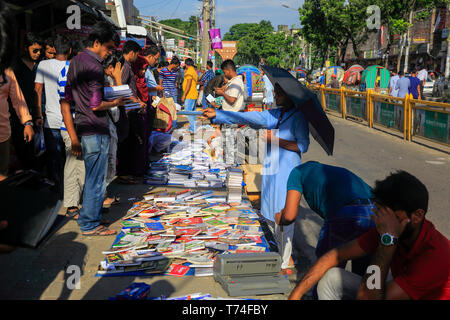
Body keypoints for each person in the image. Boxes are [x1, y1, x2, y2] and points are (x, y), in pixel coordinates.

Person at [288, 171, 450, 300]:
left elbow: (367, 297)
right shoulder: (392, 226)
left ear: (417, 216)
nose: (378, 219)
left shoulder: (436, 255)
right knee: (331, 278)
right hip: (397, 290)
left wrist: (387, 241)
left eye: (388, 214)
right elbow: (334, 256)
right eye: (379, 211)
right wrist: (296, 294)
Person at [203, 83, 310, 272]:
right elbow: (248, 116)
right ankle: (278, 251)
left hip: (287, 170)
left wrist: (275, 139)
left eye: (279, 93)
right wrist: (218, 115)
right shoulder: (276, 114)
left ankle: (285, 259)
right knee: (269, 211)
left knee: (284, 214)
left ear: (289, 95)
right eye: (275, 92)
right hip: (271, 168)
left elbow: (302, 146)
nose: (275, 96)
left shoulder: (299, 117)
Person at [62, 21, 123, 236]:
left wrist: (72, 133)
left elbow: (67, 99)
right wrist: (116, 103)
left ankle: (91, 215)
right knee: (97, 180)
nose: (108, 54)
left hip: (82, 126)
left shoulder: (75, 61)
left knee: (92, 177)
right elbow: (96, 104)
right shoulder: (95, 66)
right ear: (96, 42)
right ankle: (90, 223)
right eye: (107, 48)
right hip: (96, 128)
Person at [274, 161, 376, 277]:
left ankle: (321, 293)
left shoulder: (296, 172)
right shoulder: (333, 170)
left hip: (345, 215)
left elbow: (289, 216)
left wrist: (280, 218)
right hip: (374, 212)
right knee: (364, 275)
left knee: (326, 270)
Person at [35, 34, 71, 199]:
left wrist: (38, 114)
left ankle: (57, 192)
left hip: (51, 120)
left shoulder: (43, 64)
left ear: (54, 49)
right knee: (71, 159)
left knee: (54, 158)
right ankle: (71, 191)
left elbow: (38, 90)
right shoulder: (73, 65)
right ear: (70, 50)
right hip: (70, 121)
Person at [58, 39, 86, 219]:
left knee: (79, 167)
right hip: (71, 127)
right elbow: (65, 106)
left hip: (79, 125)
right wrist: (73, 136)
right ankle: (71, 206)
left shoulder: (78, 70)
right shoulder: (68, 72)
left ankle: (77, 203)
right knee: (73, 166)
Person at [116, 40, 146, 184]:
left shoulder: (126, 65)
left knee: (130, 142)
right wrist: (136, 100)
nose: (137, 58)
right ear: (132, 53)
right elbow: (121, 87)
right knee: (128, 143)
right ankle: (124, 173)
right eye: (137, 55)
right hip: (127, 111)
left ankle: (126, 172)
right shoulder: (125, 66)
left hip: (129, 108)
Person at [10, 32, 42, 171]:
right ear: (25, 48)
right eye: (34, 50)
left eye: (40, 50)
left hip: (36, 113)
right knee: (22, 148)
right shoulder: (15, 66)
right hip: (18, 115)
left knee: (35, 149)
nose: (38, 53)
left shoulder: (40, 66)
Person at [0, 68, 34, 176]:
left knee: (2, 173)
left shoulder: (7, 72)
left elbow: (18, 99)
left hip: (3, 134)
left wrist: (27, 123)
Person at [181, 58, 199, 133]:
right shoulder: (194, 71)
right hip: (194, 94)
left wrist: (184, 95)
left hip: (190, 94)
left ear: (186, 64)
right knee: (192, 112)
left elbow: (188, 83)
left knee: (188, 112)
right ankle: (193, 128)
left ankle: (193, 129)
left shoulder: (189, 71)